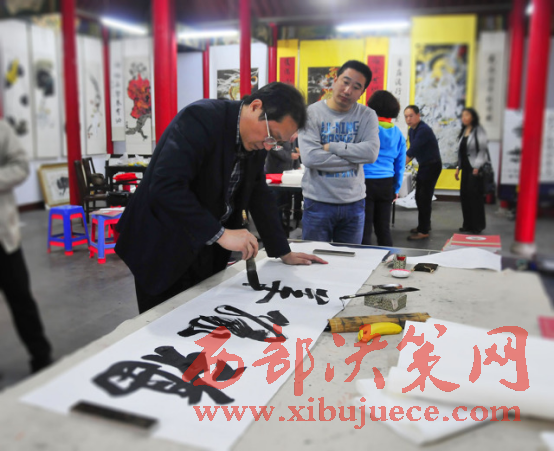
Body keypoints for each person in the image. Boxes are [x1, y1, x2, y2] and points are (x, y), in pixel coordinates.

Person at [115, 82, 327, 313]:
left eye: (277, 143)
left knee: (200, 314)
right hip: (162, 244)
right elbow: (166, 187)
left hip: (205, 245)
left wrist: (282, 250)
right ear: (256, 106)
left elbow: (258, 193)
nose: (269, 147)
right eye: (271, 136)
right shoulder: (200, 120)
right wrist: (220, 233)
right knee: (163, 320)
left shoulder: (256, 142)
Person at [299, 60, 380, 244]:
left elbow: (370, 154)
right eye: (345, 82)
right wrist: (354, 159)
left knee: (349, 259)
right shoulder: (311, 113)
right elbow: (310, 158)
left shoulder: (367, 115)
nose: (348, 90)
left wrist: (333, 147)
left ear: (362, 92)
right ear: (335, 80)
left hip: (354, 204)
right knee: (314, 258)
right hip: (318, 202)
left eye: (356, 87)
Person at [0, 119, 52, 373]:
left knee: (21, 298)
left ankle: (41, 357)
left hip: (3, 238)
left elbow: (20, 166)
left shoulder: (2, 129)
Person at [361, 90, 406, 246]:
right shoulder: (398, 134)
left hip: (365, 181)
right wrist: (396, 188)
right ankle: (388, 258)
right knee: (383, 228)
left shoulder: (366, 129)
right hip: (386, 183)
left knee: (364, 228)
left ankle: (363, 259)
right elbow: (400, 165)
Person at [404, 105, 442, 241]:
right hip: (424, 165)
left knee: (424, 197)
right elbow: (412, 152)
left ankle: (423, 231)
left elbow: (412, 151)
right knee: (419, 197)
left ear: (418, 115)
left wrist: (397, 167)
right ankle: (424, 225)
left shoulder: (423, 130)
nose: (408, 119)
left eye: (411, 116)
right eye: (406, 117)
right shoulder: (412, 131)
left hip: (432, 165)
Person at [454, 108, 489, 234]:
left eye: (467, 115)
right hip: (465, 168)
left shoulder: (478, 130)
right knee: (465, 196)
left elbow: (482, 150)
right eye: (463, 115)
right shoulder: (464, 130)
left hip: (475, 168)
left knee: (475, 196)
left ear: (473, 117)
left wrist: (477, 166)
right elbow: (461, 152)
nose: (464, 117)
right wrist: (458, 168)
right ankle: (467, 224)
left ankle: (477, 225)